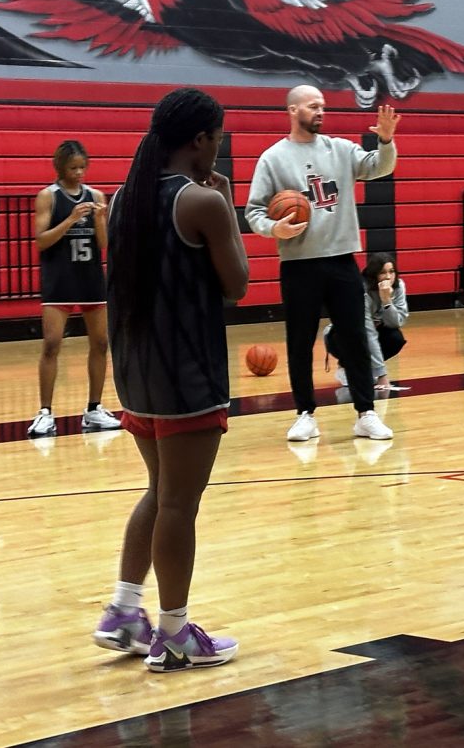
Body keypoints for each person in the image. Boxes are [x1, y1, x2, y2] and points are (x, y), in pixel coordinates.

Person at [94, 87, 248, 671]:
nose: (221, 145)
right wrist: (227, 207)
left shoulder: (126, 195)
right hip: (185, 373)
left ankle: (124, 610)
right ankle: (175, 633)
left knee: (160, 493)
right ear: (201, 139)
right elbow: (237, 283)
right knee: (180, 503)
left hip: (137, 371)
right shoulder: (199, 203)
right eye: (220, 136)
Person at [245, 86, 399, 442]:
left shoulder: (340, 149)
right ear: (292, 109)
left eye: (323, 107)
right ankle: (304, 414)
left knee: (355, 338)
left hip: (342, 260)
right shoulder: (272, 158)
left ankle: (366, 413)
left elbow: (379, 167)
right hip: (299, 264)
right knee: (299, 342)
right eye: (313, 106)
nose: (320, 112)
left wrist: (386, 141)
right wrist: (274, 227)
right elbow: (253, 211)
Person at [26, 140, 122, 438]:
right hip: (60, 279)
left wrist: (99, 219)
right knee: (52, 343)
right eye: (73, 167)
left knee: (101, 343)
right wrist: (70, 219)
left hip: (90, 277)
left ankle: (94, 409)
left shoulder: (95, 196)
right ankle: (45, 413)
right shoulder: (48, 197)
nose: (79, 172)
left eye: (83, 167)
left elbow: (104, 245)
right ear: (60, 167)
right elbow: (41, 240)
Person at [324, 252, 409, 390]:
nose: (388, 277)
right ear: (374, 275)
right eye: (383, 272)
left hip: (375, 330)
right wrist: (382, 376)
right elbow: (368, 332)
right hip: (340, 335)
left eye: (391, 271)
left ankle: (364, 369)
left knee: (395, 338)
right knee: (357, 338)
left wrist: (387, 301)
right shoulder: (361, 290)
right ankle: (345, 366)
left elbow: (396, 322)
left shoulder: (399, 286)